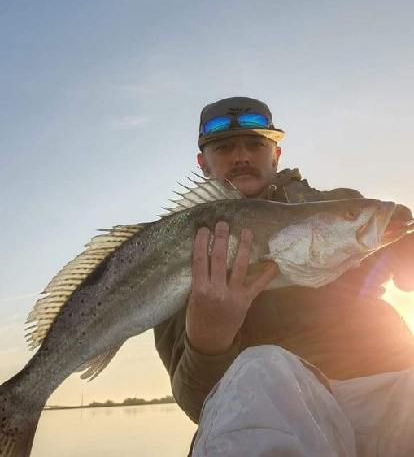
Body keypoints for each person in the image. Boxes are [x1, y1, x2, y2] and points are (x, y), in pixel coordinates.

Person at [154, 97, 414, 456]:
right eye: (225, 147)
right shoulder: (177, 252)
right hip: (279, 415)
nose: (241, 156)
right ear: (203, 164)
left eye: (256, 144)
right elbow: (198, 402)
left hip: (390, 393)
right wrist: (208, 340)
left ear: (276, 154)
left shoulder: (344, 206)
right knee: (261, 366)